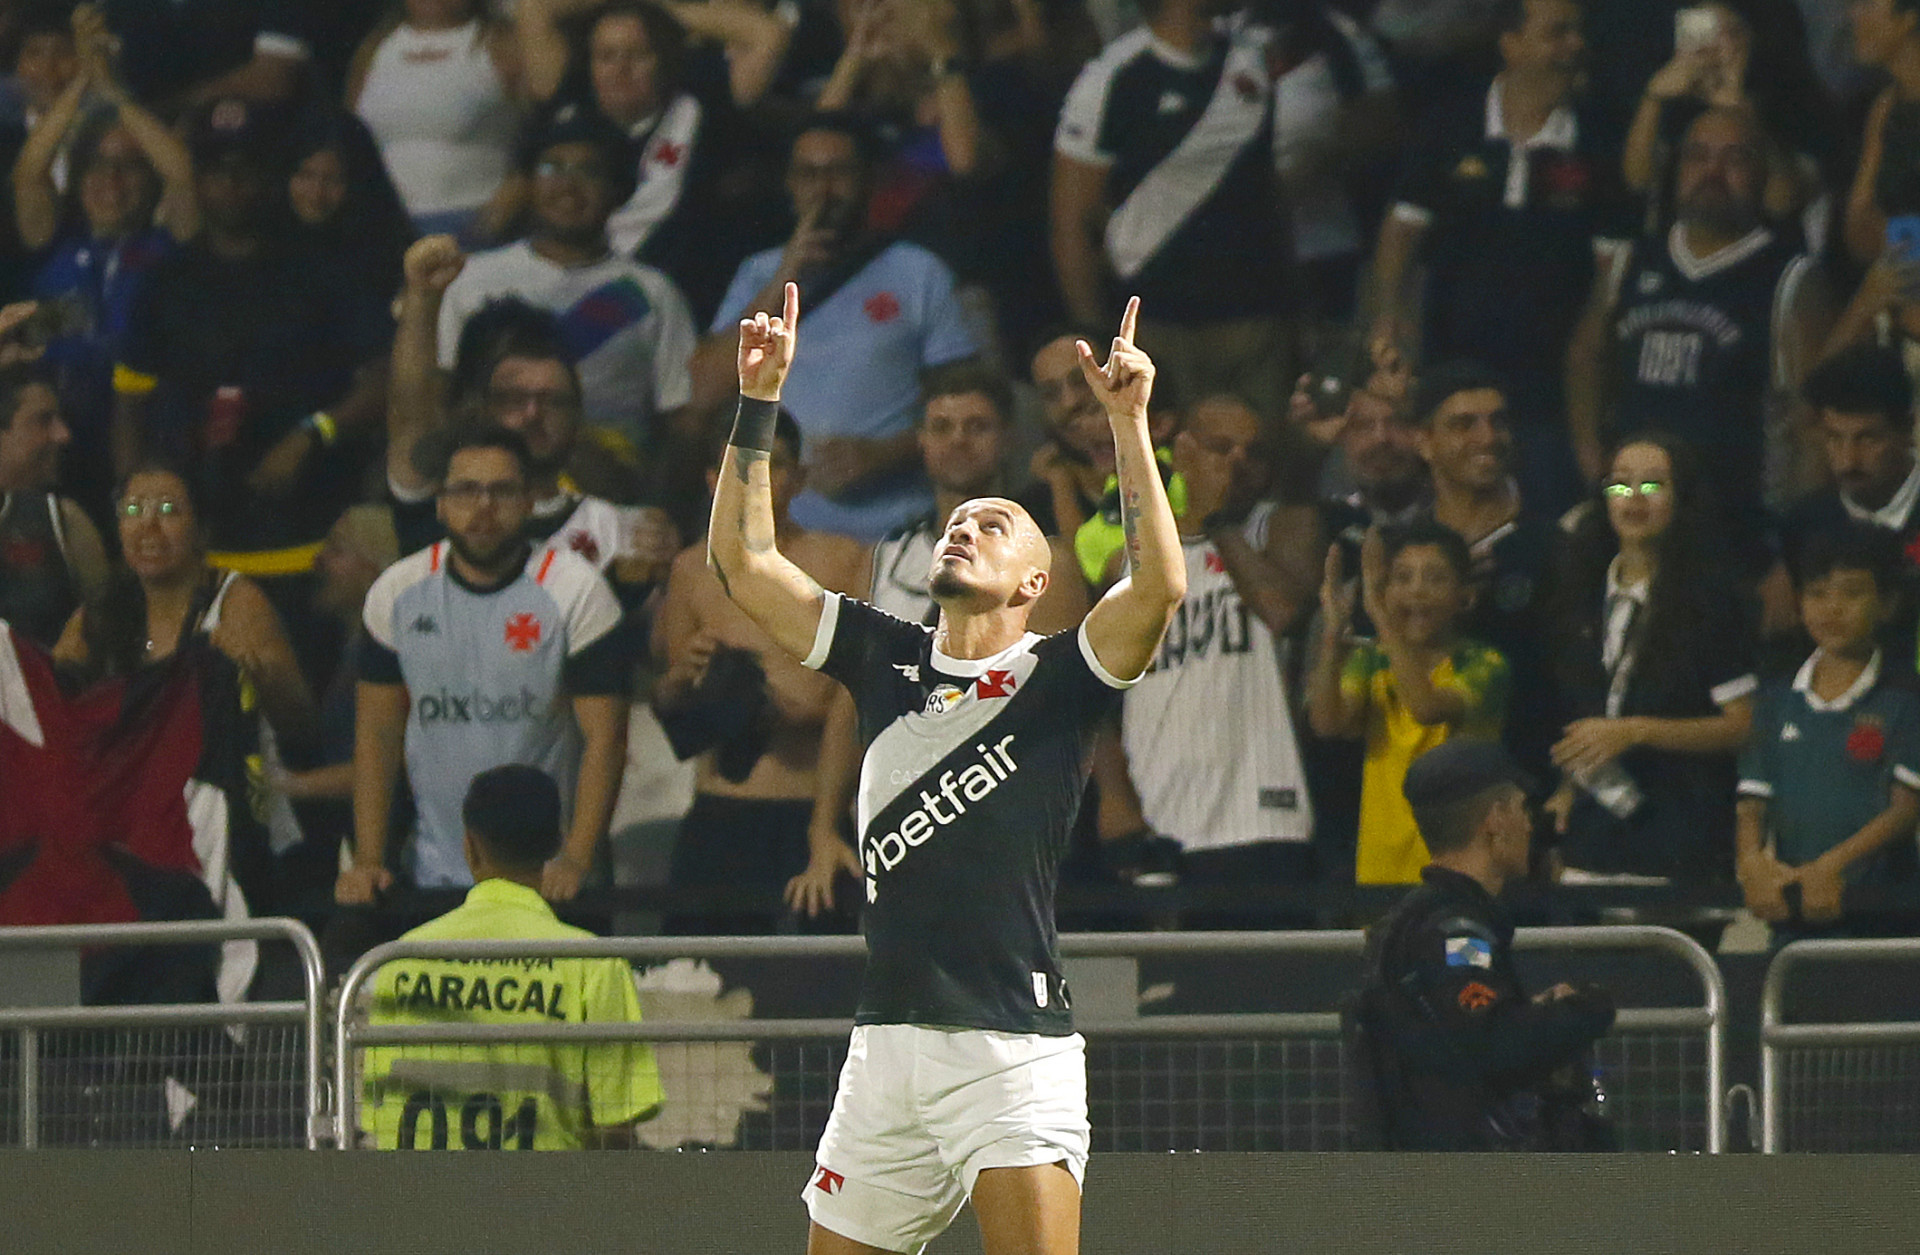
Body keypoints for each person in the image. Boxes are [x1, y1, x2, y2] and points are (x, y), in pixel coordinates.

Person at [708, 286, 1183, 1253]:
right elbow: (745, 560)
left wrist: (1126, 425)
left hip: (1008, 1048)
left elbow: (1160, 584)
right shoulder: (885, 657)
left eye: (994, 524)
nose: (965, 527)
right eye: (958, 520)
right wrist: (756, 402)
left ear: (1036, 582)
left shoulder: (1060, 676)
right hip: (883, 1048)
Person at [788, 362, 1091, 922]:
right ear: (921, 441)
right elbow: (846, 704)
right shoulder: (883, 560)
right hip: (900, 824)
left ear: (1006, 439)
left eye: (976, 426)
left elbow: (1069, 705)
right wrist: (823, 826)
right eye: (942, 426)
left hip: (1007, 829)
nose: (958, 441)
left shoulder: (1048, 564)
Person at [341, 427, 631, 907]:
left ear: (529, 501)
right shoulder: (397, 593)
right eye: (465, 491)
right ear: (439, 502)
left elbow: (607, 740)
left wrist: (577, 860)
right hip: (432, 875)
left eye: (502, 491)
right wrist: (368, 860)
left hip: (549, 882)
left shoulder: (576, 591)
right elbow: (377, 733)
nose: (483, 507)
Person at [112, 96, 392, 588]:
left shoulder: (323, 271)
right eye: (217, 171)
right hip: (193, 549)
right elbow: (130, 399)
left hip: (305, 542)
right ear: (197, 181)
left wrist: (314, 432)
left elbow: (384, 378)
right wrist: (134, 501)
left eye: (247, 170)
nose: (232, 185)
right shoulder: (166, 280)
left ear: (270, 178)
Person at [1369, 0, 1624, 514]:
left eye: (1577, 34)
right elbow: (1401, 232)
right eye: (1558, 33)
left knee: (1545, 513)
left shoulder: (1599, 138)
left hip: (1550, 388)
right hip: (1452, 367)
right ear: (1510, 43)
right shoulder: (1453, 121)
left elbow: (1610, 272)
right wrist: (1387, 317)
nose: (1575, 47)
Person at [690, 115, 981, 541]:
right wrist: (786, 275)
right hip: (779, 533)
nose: (823, 189)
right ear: (790, 184)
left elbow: (970, 399)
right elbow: (703, 391)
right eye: (809, 174)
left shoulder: (919, 272)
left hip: (895, 530)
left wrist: (884, 455)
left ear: (869, 179)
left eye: (839, 172)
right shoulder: (757, 274)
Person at [359, 763, 664, 1150]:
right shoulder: (593, 965)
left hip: (421, 1201)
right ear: (558, 841)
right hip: (543, 1204)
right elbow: (616, 1125)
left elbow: (378, 1114)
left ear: (470, 845)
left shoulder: (400, 961)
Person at [1566, 106, 1830, 546]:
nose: (1712, 171)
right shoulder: (1631, 261)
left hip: (1735, 528)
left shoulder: (1791, 278)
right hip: (1633, 517)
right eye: (1697, 155)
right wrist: (1593, 460)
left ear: (1764, 175)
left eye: (1734, 158)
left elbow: (1813, 421)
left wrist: (1791, 540)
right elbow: (1583, 357)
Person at [653, 409, 867, 933]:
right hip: (721, 811)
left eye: (774, 465)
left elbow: (853, 700)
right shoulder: (689, 571)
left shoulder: (845, 561)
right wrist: (680, 683)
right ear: (712, 480)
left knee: (819, 997)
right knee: (699, 990)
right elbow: (674, 708)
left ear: (800, 478)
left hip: (810, 809)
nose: (757, 478)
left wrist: (825, 824)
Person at [1354, 738, 1616, 1151]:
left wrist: (1528, 1011)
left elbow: (1457, 1033)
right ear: (1495, 820)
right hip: (1458, 1185)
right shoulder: (1454, 931)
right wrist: (1579, 1011)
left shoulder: (1416, 921)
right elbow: (1491, 1046)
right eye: (1520, 808)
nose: (1530, 824)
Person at [1116, 392, 1323, 912]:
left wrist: (1218, 520)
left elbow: (1280, 611)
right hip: (1160, 826)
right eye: (1220, 448)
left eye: (1251, 453)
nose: (1237, 463)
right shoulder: (1134, 556)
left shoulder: (1283, 526)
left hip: (1265, 819)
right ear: (1181, 451)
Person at [390, 235, 682, 585]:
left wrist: (663, 563)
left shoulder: (618, 525)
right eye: (513, 399)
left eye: (552, 401)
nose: (532, 414)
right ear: (479, 406)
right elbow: (411, 416)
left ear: (577, 414)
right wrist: (422, 297)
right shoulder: (442, 492)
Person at [1051, 0, 1294, 419]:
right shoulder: (1115, 76)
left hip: (1254, 319)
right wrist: (1093, 330)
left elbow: (1271, 192)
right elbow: (1072, 217)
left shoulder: (1249, 62)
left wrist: (1293, 305)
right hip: (1159, 326)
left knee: (1259, 465)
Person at [1546, 434, 1757, 884]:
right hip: (1591, 842)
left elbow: (1744, 725)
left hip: (1679, 838)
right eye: (1620, 485)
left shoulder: (1712, 601)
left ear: (1684, 498)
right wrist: (1567, 789)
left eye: (1653, 485)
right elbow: (1586, 714)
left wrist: (1637, 732)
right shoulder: (1579, 593)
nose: (1634, 499)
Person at [435, 103, 698, 456]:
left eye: (589, 172)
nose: (568, 186)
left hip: (610, 487)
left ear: (617, 190)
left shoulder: (654, 294)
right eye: (551, 168)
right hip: (499, 481)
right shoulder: (474, 280)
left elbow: (680, 419)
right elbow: (442, 397)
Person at [15, 11, 195, 518]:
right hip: (62, 424)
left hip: (146, 424)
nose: (111, 180)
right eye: (97, 164)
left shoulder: (168, 245)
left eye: (129, 166)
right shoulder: (57, 241)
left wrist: (114, 92)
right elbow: (29, 172)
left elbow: (181, 172)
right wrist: (79, 86)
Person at [512, 0, 792, 319]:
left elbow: (766, 34)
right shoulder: (568, 106)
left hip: (664, 301)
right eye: (607, 56)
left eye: (638, 54)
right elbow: (535, 7)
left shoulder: (701, 106)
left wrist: (654, 9)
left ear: (665, 60)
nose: (621, 69)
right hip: (564, 291)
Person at [1738, 524, 1920, 934]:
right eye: (1818, 594)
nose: (1832, 608)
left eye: (1852, 593)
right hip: (1793, 914)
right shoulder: (1775, 698)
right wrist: (1752, 864)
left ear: (1887, 603)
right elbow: (1752, 802)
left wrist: (1829, 868)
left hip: (1882, 915)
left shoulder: (1907, 698)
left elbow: (1904, 810)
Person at [1308, 520, 1509, 886]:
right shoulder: (1372, 661)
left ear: (1465, 596)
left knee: (1467, 948)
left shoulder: (1486, 664)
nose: (1417, 591)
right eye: (1402, 578)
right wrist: (1332, 638)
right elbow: (1328, 724)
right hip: (1382, 876)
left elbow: (1426, 708)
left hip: (1464, 878)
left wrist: (1379, 615)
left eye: (1434, 578)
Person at [1410, 364, 1560, 782]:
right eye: (1464, 424)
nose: (1487, 438)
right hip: (1414, 790)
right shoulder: (1403, 551)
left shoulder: (1553, 545)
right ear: (1424, 442)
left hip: (1523, 781)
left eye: (1498, 422)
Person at [1777, 346, 1920, 668]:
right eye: (1834, 438)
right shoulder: (1804, 523)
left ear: (1908, 430)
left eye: (1868, 439)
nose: (1848, 460)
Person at [349, 0, 524, 239]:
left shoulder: (501, 42)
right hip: (384, 226)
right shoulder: (375, 46)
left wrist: (521, 184)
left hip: (475, 222)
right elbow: (347, 134)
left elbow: (541, 123)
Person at [0, 363, 108, 649]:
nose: (63, 435)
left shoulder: (64, 521)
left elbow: (114, 629)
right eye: (43, 421)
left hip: (47, 691)